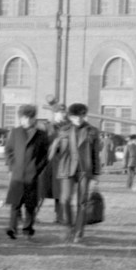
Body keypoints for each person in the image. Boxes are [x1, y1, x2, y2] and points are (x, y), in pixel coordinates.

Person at [51, 103, 103, 244]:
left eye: (81, 115)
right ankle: (68, 227)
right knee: (64, 199)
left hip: (84, 170)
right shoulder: (64, 130)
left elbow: (95, 154)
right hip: (67, 168)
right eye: (75, 116)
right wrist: (56, 144)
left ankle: (78, 233)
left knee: (82, 202)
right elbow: (56, 152)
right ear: (70, 116)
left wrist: (96, 174)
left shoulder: (92, 131)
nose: (79, 119)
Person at [1, 104, 49, 239]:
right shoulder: (15, 132)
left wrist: (37, 168)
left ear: (34, 119)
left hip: (32, 174)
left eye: (30, 118)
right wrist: (11, 166)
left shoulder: (41, 135)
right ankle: (12, 228)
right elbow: (8, 151)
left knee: (30, 205)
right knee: (15, 204)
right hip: (17, 174)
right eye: (24, 118)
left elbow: (45, 155)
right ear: (20, 119)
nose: (27, 121)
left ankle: (28, 229)